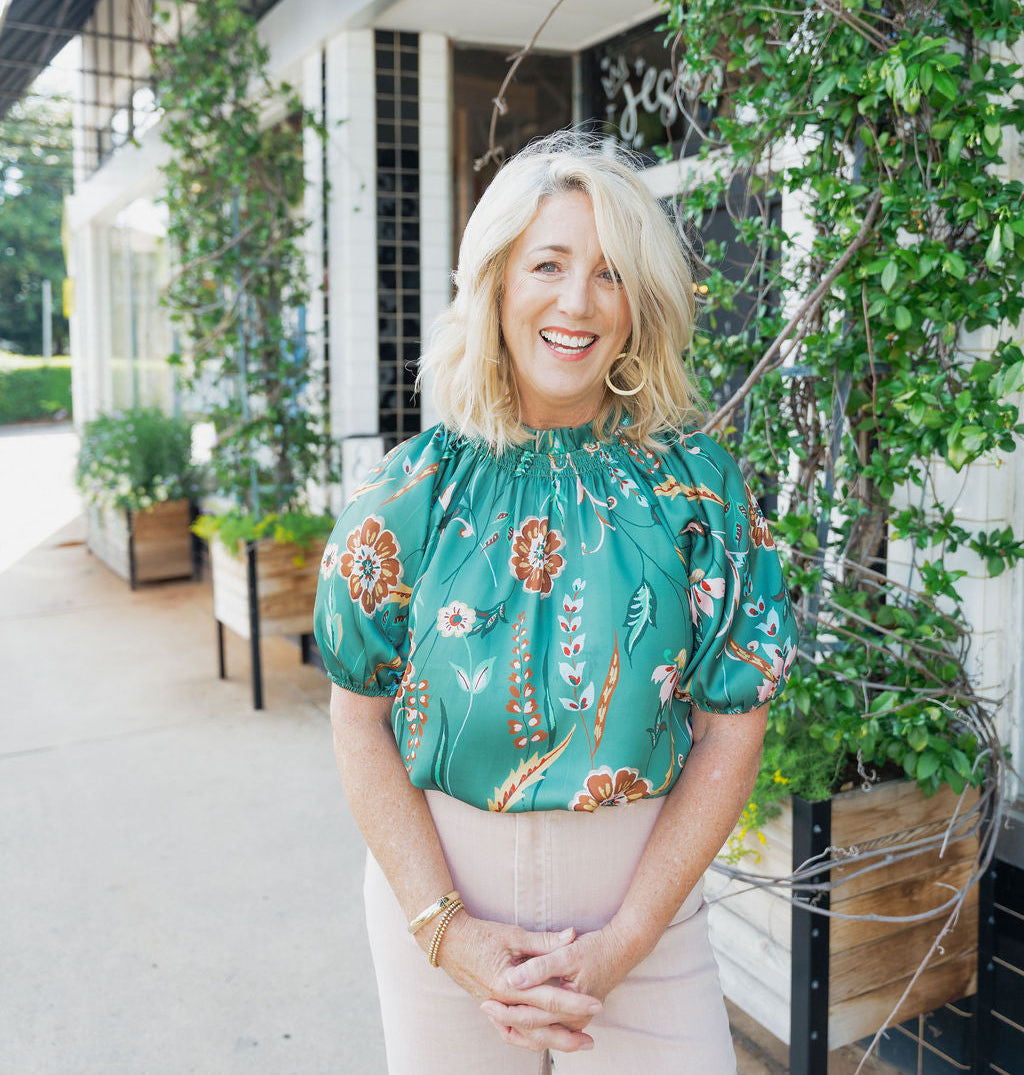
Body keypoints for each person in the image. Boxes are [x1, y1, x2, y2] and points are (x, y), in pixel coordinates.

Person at [313, 132, 798, 1075]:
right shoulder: (410, 494)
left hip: (643, 924)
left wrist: (620, 943)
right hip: (439, 913)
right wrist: (448, 933)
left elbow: (734, 732)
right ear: (496, 282)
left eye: (611, 273)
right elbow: (357, 726)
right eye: (548, 264)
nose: (577, 301)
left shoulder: (698, 494)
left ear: (639, 306)